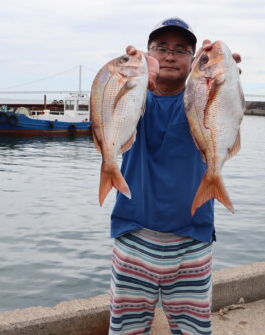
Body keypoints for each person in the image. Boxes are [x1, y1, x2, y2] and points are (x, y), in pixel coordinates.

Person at [108, 17, 241, 335]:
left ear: (193, 60)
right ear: (148, 53)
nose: (170, 55)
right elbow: (107, 117)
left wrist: (228, 81)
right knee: (126, 329)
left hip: (192, 241)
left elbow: (226, 111)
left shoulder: (200, 99)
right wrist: (127, 78)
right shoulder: (134, 99)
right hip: (133, 237)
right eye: (162, 48)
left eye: (180, 50)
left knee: (194, 330)